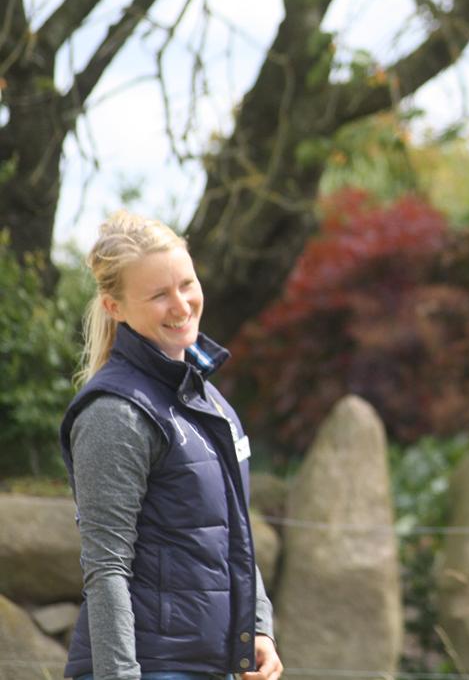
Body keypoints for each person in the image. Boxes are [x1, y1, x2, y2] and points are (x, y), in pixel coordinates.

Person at [59, 211, 282, 680]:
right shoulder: (113, 413)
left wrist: (258, 628)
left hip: (217, 666)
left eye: (186, 284)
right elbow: (106, 568)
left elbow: (233, 532)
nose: (181, 305)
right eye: (159, 295)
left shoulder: (208, 399)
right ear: (114, 307)